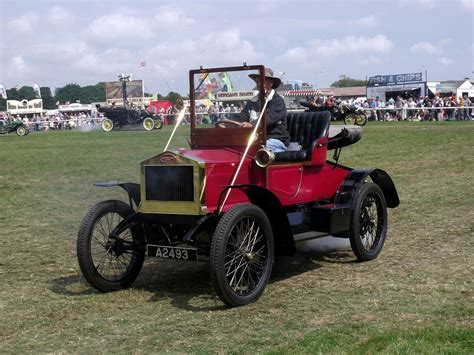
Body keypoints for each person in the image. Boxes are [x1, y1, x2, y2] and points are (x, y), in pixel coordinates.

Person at [237, 68, 289, 153]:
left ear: (271, 83)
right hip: (255, 139)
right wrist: (227, 123)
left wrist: (251, 124)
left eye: (262, 81)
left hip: (276, 140)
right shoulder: (252, 101)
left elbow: (268, 118)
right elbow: (242, 116)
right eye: (257, 81)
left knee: (255, 149)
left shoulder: (277, 101)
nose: (258, 84)